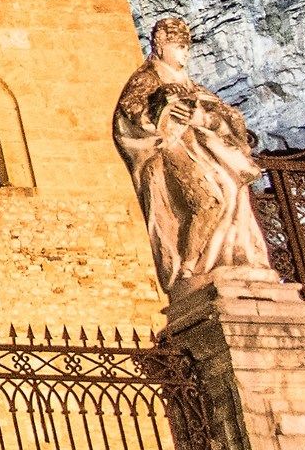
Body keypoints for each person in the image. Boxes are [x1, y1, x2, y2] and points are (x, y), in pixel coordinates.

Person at [112, 16, 273, 293]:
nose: (184, 55)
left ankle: (228, 260)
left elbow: (227, 114)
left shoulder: (191, 84)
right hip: (169, 150)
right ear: (160, 46)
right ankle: (189, 267)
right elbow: (132, 113)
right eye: (178, 47)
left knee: (232, 192)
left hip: (205, 153)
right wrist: (162, 115)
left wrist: (203, 118)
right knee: (207, 200)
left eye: (187, 48)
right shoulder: (145, 80)